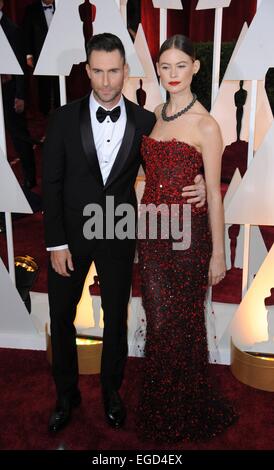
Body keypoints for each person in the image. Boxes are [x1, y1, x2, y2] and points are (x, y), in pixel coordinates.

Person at [42, 32, 206, 434]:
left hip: (118, 232)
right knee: (61, 315)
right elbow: (52, 184)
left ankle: (111, 394)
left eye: (113, 71)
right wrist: (56, 242)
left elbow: (169, 166)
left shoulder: (145, 120)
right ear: (87, 70)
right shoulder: (63, 119)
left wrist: (200, 181)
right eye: (97, 71)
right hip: (70, 237)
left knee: (116, 317)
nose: (105, 81)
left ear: (125, 71)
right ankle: (66, 397)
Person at [137, 34, 238, 442]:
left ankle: (185, 405)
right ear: (157, 70)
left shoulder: (207, 125)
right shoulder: (152, 114)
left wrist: (219, 253)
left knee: (182, 322)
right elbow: (144, 172)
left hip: (188, 239)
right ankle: (165, 401)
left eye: (181, 65)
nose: (172, 74)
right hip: (152, 234)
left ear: (195, 67)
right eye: (165, 67)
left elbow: (213, 192)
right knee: (159, 321)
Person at [0, 0, 36, 189]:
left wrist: (20, 95)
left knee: (18, 136)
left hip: (9, 92)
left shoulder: (12, 30)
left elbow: (21, 66)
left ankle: (30, 178)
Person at [23, 0, 60, 116]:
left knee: (59, 84)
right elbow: (27, 32)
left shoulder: (60, 6)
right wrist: (29, 55)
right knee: (44, 85)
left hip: (60, 53)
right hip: (40, 54)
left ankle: (60, 109)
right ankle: (45, 115)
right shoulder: (31, 9)